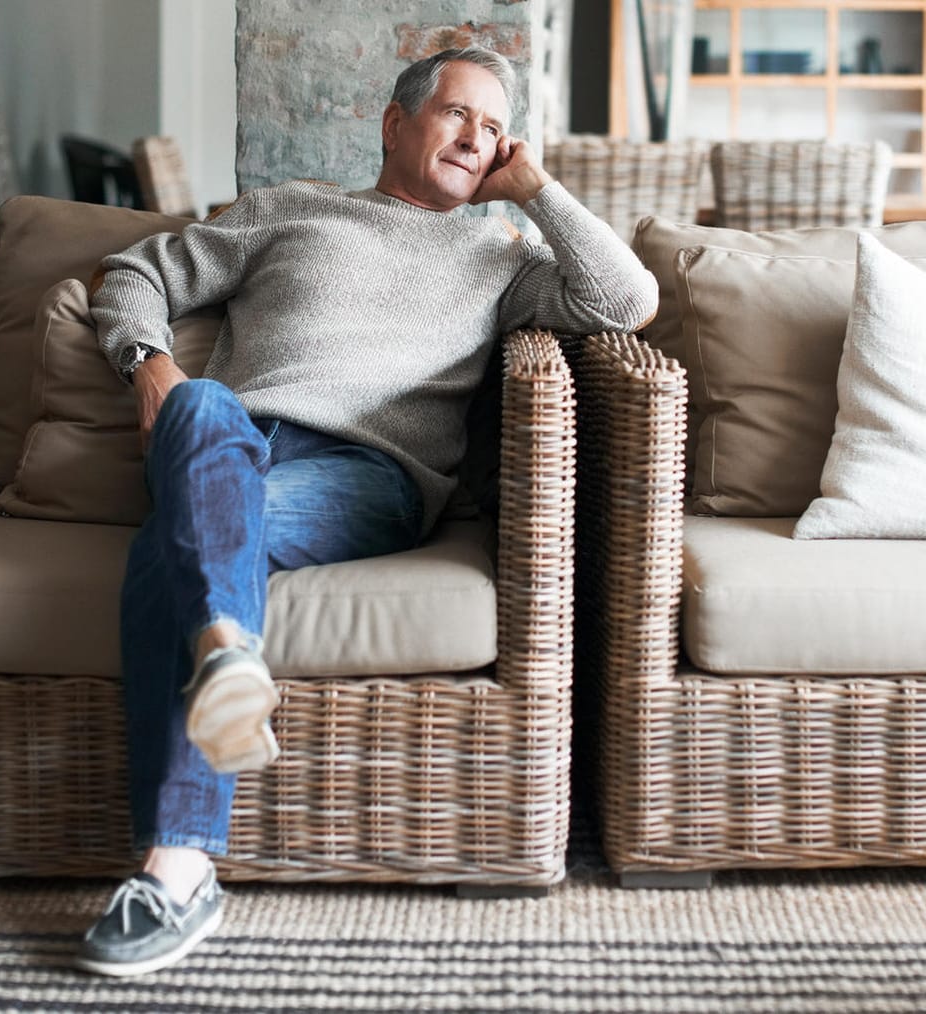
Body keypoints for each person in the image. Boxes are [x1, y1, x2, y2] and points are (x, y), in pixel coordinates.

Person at [73, 46, 657, 977]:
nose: (478, 138)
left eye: (495, 128)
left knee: (165, 551)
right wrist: (148, 364)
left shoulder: (504, 258)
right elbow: (134, 273)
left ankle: (175, 867)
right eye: (458, 115)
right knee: (196, 404)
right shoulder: (287, 208)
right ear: (394, 124)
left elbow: (626, 300)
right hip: (223, 445)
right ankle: (224, 657)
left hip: (367, 473)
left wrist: (535, 189)